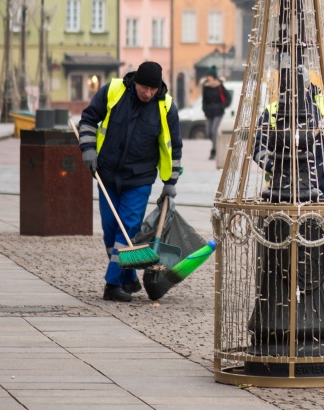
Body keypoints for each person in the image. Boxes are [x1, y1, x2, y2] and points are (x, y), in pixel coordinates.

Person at [78, 61, 183, 303]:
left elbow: (174, 147)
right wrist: (88, 149)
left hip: (140, 178)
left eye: (152, 89)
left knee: (128, 226)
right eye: (144, 88)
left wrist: (170, 182)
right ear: (135, 82)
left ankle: (112, 285)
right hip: (107, 174)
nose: (148, 93)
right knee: (110, 229)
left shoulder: (166, 107)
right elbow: (88, 118)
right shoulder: (112, 91)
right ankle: (127, 275)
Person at [200, 67, 230, 160]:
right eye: (208, 76)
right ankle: (216, 145)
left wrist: (222, 106)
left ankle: (214, 150)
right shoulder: (206, 87)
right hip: (209, 112)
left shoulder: (219, 86)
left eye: (210, 76)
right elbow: (204, 100)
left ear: (213, 76)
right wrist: (204, 108)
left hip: (218, 112)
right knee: (208, 132)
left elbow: (228, 97)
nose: (208, 78)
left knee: (213, 131)